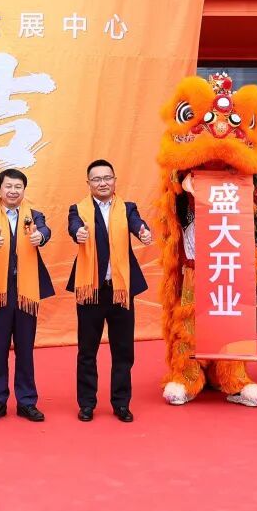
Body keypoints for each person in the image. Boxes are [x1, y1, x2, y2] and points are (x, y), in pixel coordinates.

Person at [67, 159, 153, 422]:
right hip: (91, 290)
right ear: (88, 183)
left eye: (107, 178)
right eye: (97, 179)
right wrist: (78, 233)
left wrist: (143, 232)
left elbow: (137, 223)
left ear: (115, 180)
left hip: (120, 289)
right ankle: (87, 404)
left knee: (123, 351)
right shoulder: (78, 209)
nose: (102, 183)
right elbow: (74, 226)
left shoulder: (127, 208)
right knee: (87, 351)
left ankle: (121, 403)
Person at [0, 169, 55, 423]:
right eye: (8, 186)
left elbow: (45, 230)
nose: (13, 191)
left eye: (18, 187)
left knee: (25, 350)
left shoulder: (34, 216)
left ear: (23, 190)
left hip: (26, 292)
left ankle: (27, 402)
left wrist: (41, 236)